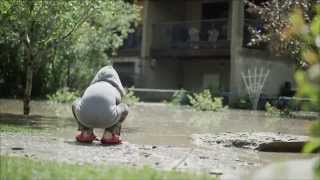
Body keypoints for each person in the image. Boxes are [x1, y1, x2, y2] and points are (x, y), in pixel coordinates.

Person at [72, 66, 129, 145]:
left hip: (84, 118)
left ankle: (86, 133)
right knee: (124, 107)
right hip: (108, 119)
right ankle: (108, 135)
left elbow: (85, 102)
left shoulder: (91, 87)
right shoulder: (115, 89)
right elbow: (116, 107)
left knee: (76, 102)